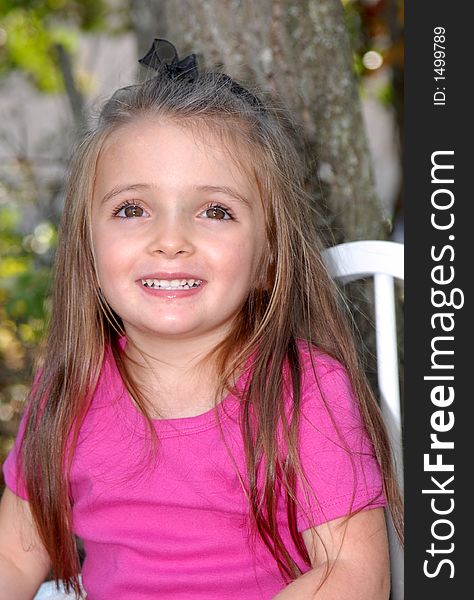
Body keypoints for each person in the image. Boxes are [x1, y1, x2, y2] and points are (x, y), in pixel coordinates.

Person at [0, 39, 403, 600]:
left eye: (215, 211)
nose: (170, 240)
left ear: (268, 259)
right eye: (131, 209)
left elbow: (355, 576)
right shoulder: (70, 388)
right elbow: (13, 558)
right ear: (88, 252)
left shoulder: (304, 391)